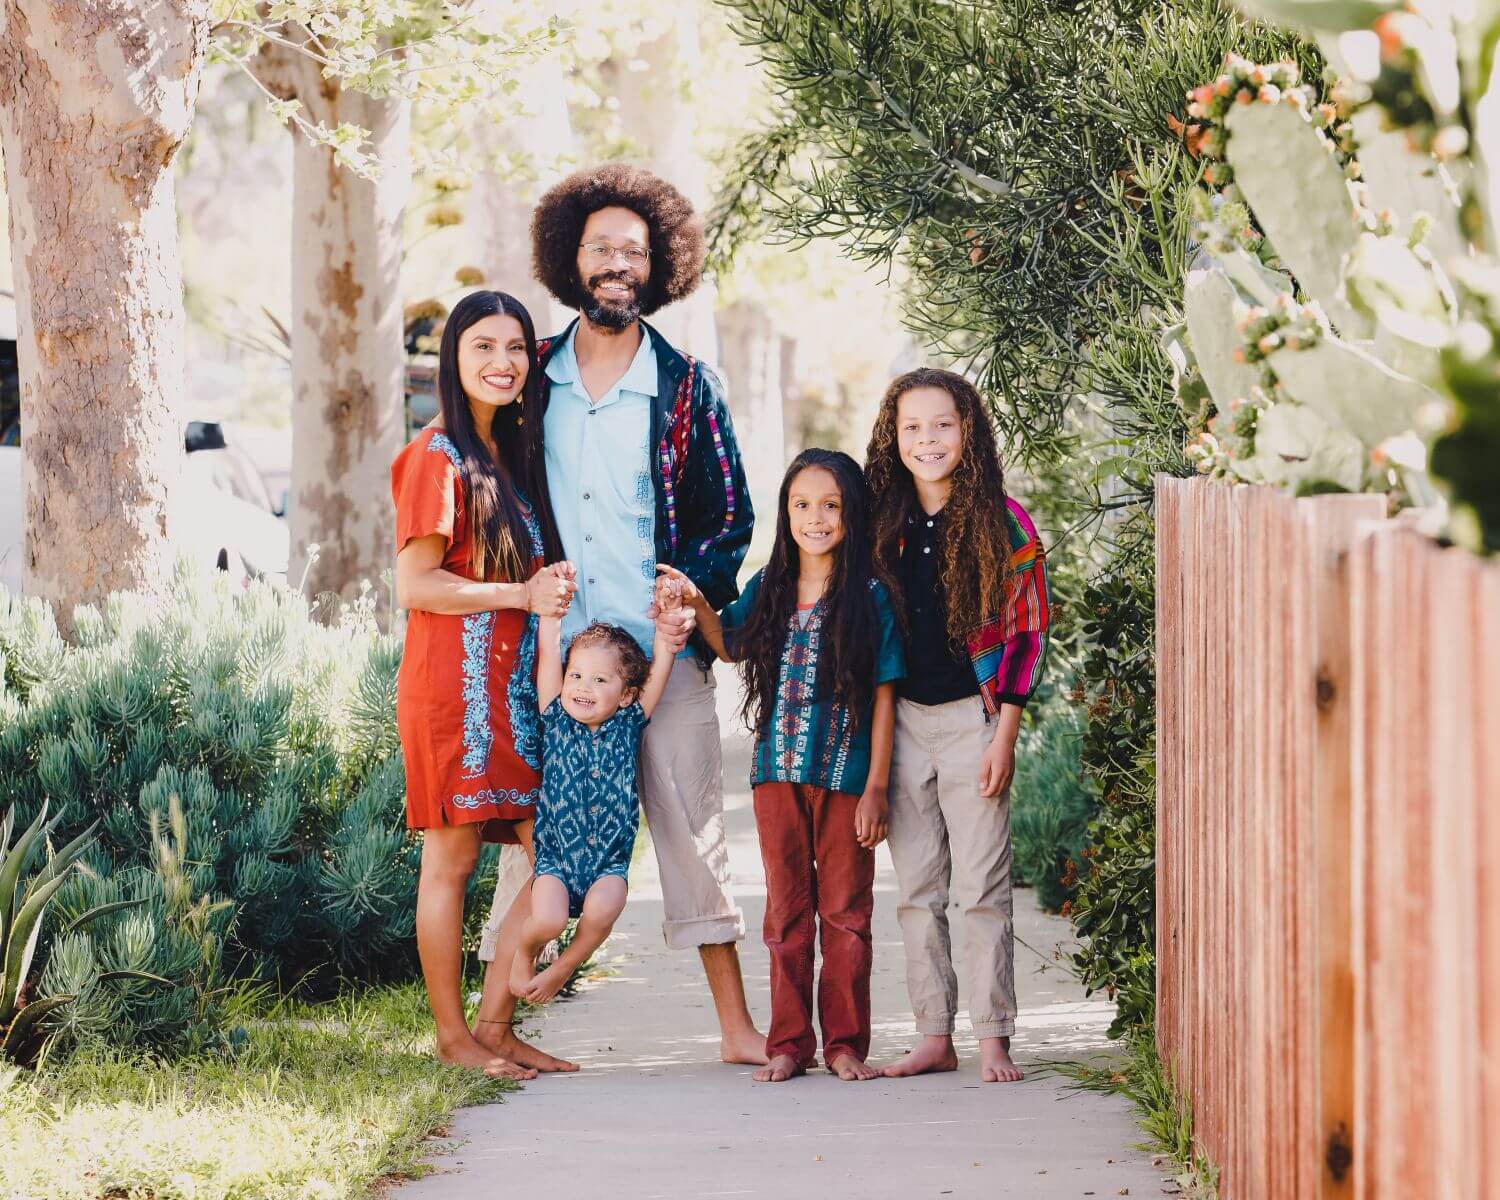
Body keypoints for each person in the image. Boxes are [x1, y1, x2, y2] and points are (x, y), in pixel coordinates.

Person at [472, 162, 766, 1065]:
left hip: (661, 657)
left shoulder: (686, 387)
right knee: (541, 840)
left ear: (657, 266)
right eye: (599, 248)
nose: (615, 264)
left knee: (690, 832)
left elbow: (735, 517)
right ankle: (494, 1026)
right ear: (571, 258)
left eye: (632, 252)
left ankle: (735, 1029)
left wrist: (692, 584)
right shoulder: (535, 383)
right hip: (562, 664)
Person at [662, 449, 905, 1084]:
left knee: (847, 913)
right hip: (777, 774)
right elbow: (730, 642)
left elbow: (884, 695)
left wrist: (878, 785)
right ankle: (789, 1044)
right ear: (785, 512)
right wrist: (695, 600)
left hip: (847, 778)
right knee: (785, 911)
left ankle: (846, 1043)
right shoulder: (770, 584)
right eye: (802, 505)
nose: (815, 517)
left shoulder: (871, 596)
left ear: (852, 513)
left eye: (831, 505)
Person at [390, 290, 577, 1077]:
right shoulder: (435, 456)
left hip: (509, 700)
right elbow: (416, 584)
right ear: (453, 359)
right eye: (482, 347)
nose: (501, 363)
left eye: (515, 348)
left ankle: (495, 1024)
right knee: (452, 865)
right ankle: (453, 1037)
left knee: (557, 854)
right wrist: (518, 594)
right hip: (450, 693)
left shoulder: (512, 457)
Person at [864, 367, 1052, 1085]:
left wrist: (1004, 731)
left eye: (942, 424)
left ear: (967, 430)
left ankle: (993, 1035)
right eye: (912, 426)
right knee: (918, 891)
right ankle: (933, 1033)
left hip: (974, 720)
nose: (927, 439)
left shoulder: (1004, 521)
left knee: (981, 888)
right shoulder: (882, 520)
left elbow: (1030, 631)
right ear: (893, 435)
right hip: (902, 721)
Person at [504, 607, 678, 1007]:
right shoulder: (556, 718)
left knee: (607, 905)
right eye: (576, 675)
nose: (583, 687)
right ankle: (525, 953)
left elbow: (661, 667)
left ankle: (563, 967)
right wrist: (550, 618)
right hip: (556, 862)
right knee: (547, 919)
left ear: (627, 694)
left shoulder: (629, 720)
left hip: (607, 864)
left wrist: (667, 630)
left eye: (600, 680)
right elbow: (548, 655)